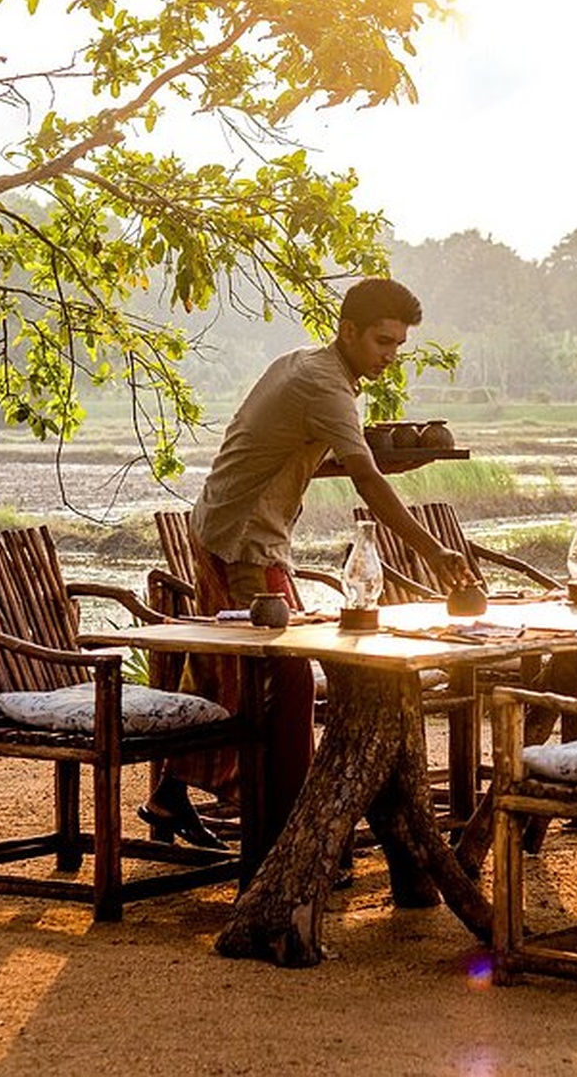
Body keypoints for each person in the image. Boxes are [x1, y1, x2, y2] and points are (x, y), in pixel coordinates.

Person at [141, 277, 477, 849]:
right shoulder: (326, 387)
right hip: (244, 538)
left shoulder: (305, 364)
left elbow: (287, 452)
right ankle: (288, 830)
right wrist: (435, 551)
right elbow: (366, 478)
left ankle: (171, 794)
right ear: (348, 331)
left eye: (397, 344)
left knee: (229, 671)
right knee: (288, 675)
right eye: (381, 342)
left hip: (223, 523)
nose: (390, 356)